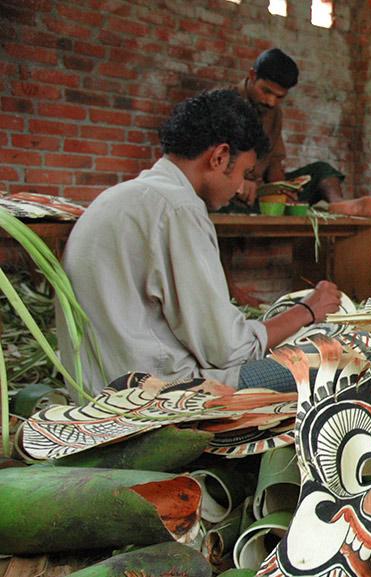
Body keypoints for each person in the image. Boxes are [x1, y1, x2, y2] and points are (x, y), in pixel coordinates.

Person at [56, 89, 342, 396]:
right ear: (219, 157)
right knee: (333, 360)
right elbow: (228, 349)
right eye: (245, 173)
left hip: (97, 389)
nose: (240, 189)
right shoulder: (179, 209)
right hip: (154, 397)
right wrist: (307, 310)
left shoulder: (121, 197)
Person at [231, 48, 371, 216]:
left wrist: (283, 190)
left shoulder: (274, 112)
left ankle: (338, 205)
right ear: (252, 75)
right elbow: (209, 162)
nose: (271, 102)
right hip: (229, 191)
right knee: (225, 202)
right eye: (266, 91)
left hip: (260, 191)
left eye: (279, 97)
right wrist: (237, 180)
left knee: (321, 170)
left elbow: (274, 162)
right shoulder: (224, 103)